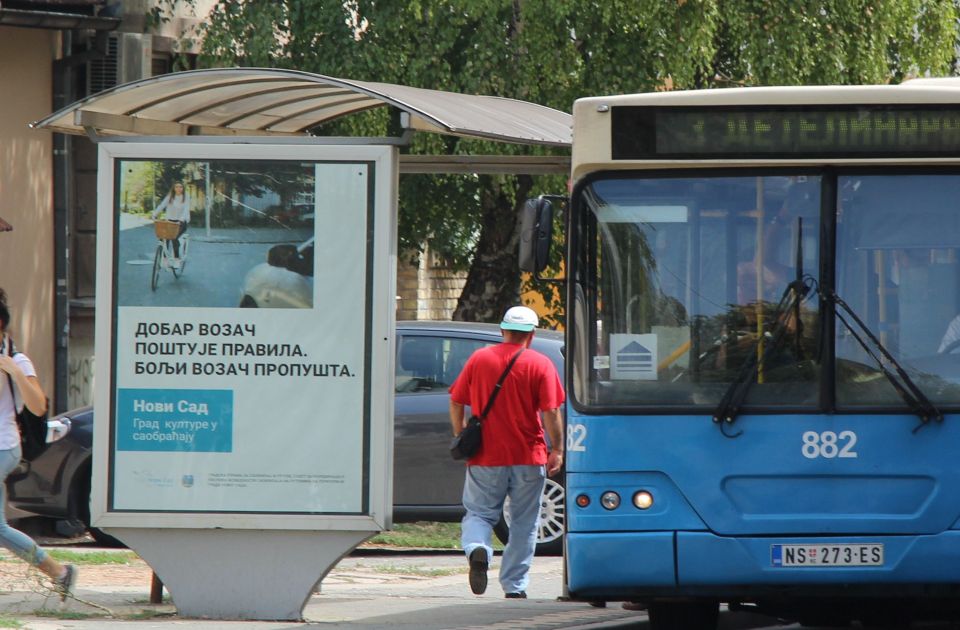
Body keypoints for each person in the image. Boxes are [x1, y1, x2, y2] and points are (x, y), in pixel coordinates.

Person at [448, 305, 565, 599]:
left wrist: (460, 434)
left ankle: (477, 548)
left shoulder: (479, 359)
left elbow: (456, 401)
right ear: (532, 334)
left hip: (486, 456)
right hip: (529, 456)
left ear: (502, 331)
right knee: (525, 524)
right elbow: (551, 411)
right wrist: (558, 449)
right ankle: (514, 587)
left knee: (479, 513)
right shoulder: (541, 364)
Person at [0, 289, 76, 599]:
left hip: (3, 446)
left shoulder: (17, 359)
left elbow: (38, 406)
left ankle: (59, 572)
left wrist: (14, 371)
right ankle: (59, 572)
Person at [151, 181, 191, 268]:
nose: (178, 189)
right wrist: (154, 214)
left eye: (180, 187)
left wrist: (180, 220)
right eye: (176, 187)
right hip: (170, 221)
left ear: (183, 188)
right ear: (173, 188)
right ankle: (165, 259)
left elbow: (186, 209)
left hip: (181, 222)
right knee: (164, 237)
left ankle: (177, 259)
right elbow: (162, 205)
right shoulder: (170, 196)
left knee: (174, 237)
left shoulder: (186, 197)